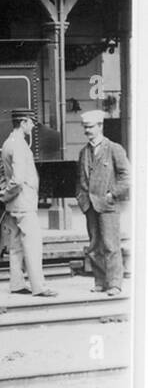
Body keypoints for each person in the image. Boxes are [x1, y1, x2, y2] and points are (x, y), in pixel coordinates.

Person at [0, 108, 55, 297]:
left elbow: (1, 174)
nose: (32, 126)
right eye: (31, 122)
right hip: (24, 203)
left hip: (13, 206)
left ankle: (16, 284)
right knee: (33, 245)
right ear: (23, 123)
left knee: (15, 246)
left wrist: (4, 193)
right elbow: (19, 179)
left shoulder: (7, 143)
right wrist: (7, 194)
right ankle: (39, 287)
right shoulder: (20, 146)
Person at [76, 109, 130, 297]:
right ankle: (100, 281)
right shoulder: (84, 152)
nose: (87, 131)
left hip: (107, 206)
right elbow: (80, 179)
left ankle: (114, 284)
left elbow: (126, 177)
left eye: (90, 127)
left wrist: (112, 195)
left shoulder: (114, 148)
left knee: (110, 245)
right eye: (85, 127)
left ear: (100, 126)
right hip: (90, 206)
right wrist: (81, 198)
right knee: (94, 246)